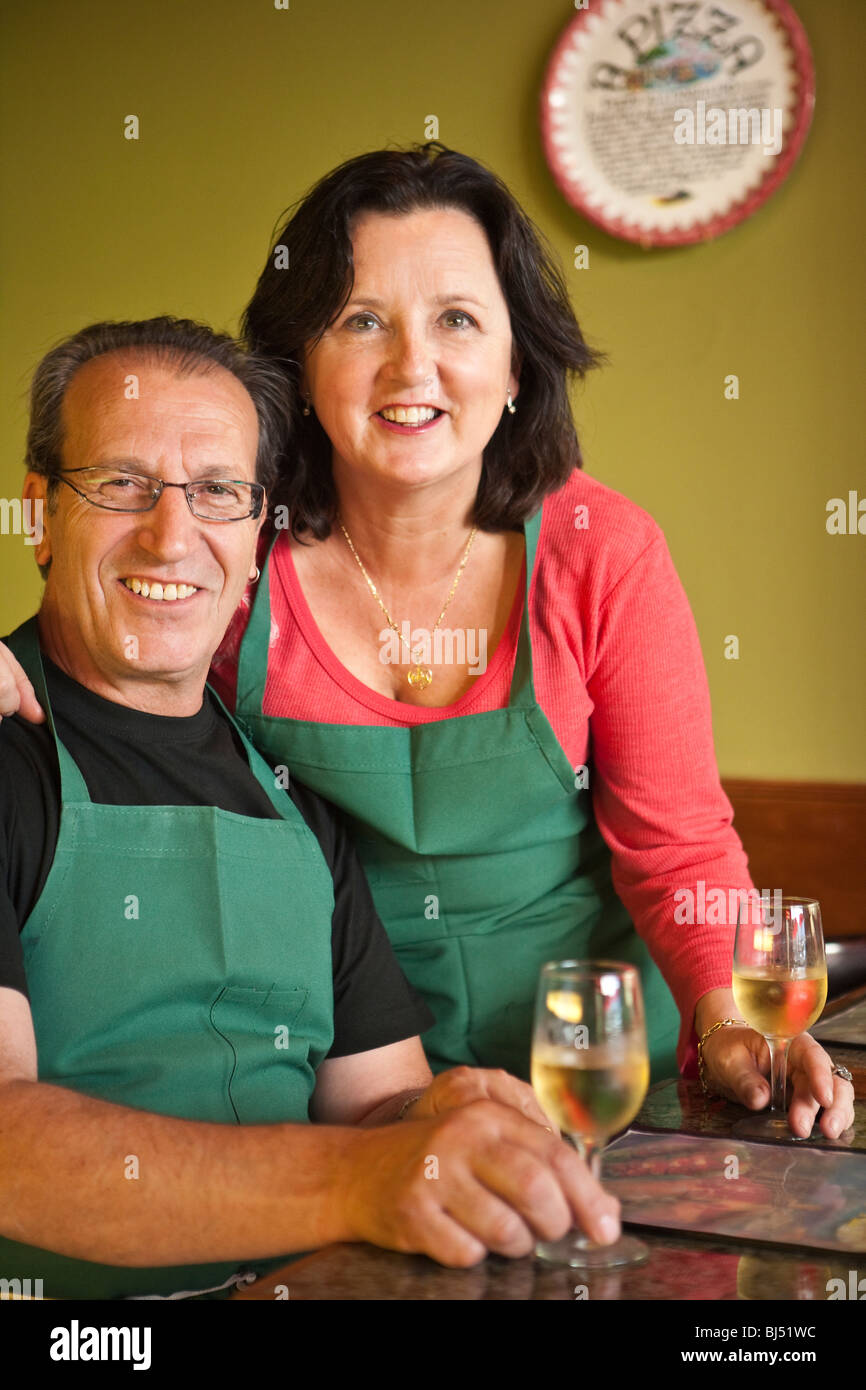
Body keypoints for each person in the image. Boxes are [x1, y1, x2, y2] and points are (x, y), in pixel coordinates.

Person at [211, 141, 848, 1135]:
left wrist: (728, 1019)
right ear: (297, 361)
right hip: (342, 1086)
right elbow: (106, 677)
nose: (408, 365)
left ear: (515, 364)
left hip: (598, 1080)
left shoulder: (605, 553)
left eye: (456, 320)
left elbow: (675, 846)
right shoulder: (233, 553)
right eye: (360, 320)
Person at [0, 316, 620, 1299]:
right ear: (38, 515)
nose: (173, 534)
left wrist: (440, 1115)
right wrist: (360, 1182)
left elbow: (377, 1103)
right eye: (121, 485)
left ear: (255, 534)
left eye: (217, 493)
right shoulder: (5, 753)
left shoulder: (293, 797)